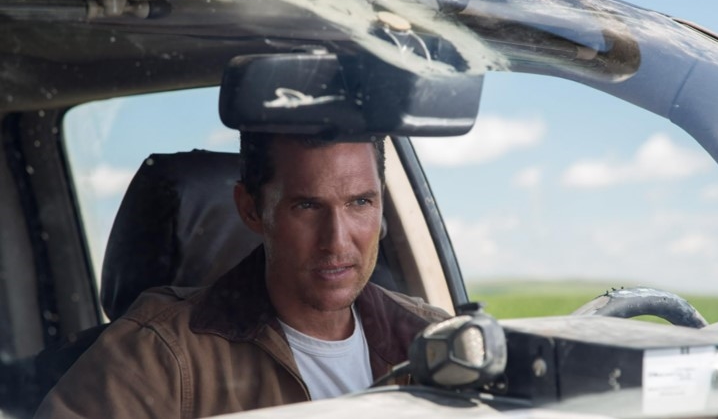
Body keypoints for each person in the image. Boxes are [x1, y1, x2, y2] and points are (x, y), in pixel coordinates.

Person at [35, 133, 449, 419]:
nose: (336, 241)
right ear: (251, 210)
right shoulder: (157, 357)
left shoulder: (434, 341)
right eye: (306, 206)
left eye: (360, 203)